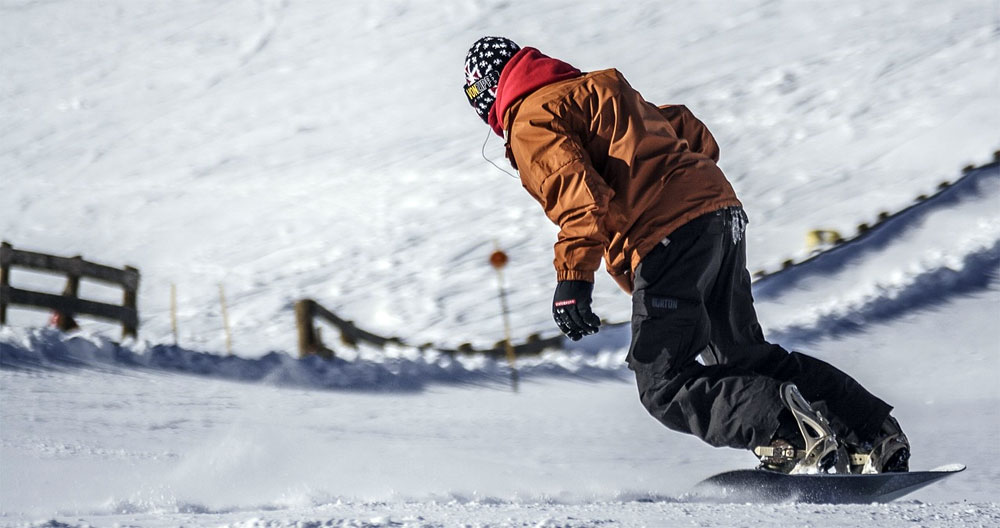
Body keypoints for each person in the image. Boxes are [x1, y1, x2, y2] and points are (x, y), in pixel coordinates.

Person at [462, 36, 910, 474]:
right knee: (742, 357)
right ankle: (872, 433)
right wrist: (686, 182)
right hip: (719, 213)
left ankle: (791, 432)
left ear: (485, 92)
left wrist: (573, 280)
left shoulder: (531, 118)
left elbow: (580, 198)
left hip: (668, 234)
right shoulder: (598, 87)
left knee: (662, 381)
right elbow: (687, 127)